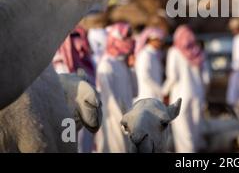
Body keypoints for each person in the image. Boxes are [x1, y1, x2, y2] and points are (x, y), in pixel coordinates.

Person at [162, 25, 210, 153]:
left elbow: (172, 77)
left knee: (182, 131)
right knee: (195, 129)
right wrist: (203, 92)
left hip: (180, 95)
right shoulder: (198, 52)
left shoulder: (174, 52)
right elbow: (207, 78)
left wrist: (163, 92)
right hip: (198, 94)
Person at [52, 26, 96, 153]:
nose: (79, 42)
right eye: (74, 38)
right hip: (69, 118)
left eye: (79, 37)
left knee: (85, 145)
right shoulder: (61, 68)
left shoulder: (85, 63)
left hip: (87, 117)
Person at [95, 22, 136, 153]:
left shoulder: (121, 63)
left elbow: (135, 91)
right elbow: (110, 101)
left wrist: (131, 67)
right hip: (113, 120)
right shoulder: (106, 65)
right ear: (116, 39)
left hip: (128, 119)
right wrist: (123, 122)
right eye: (126, 38)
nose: (130, 41)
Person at [134, 27, 166, 101]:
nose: (160, 42)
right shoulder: (145, 55)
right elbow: (145, 76)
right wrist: (160, 91)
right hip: (146, 96)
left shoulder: (155, 55)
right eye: (157, 40)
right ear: (149, 40)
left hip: (154, 96)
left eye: (161, 40)